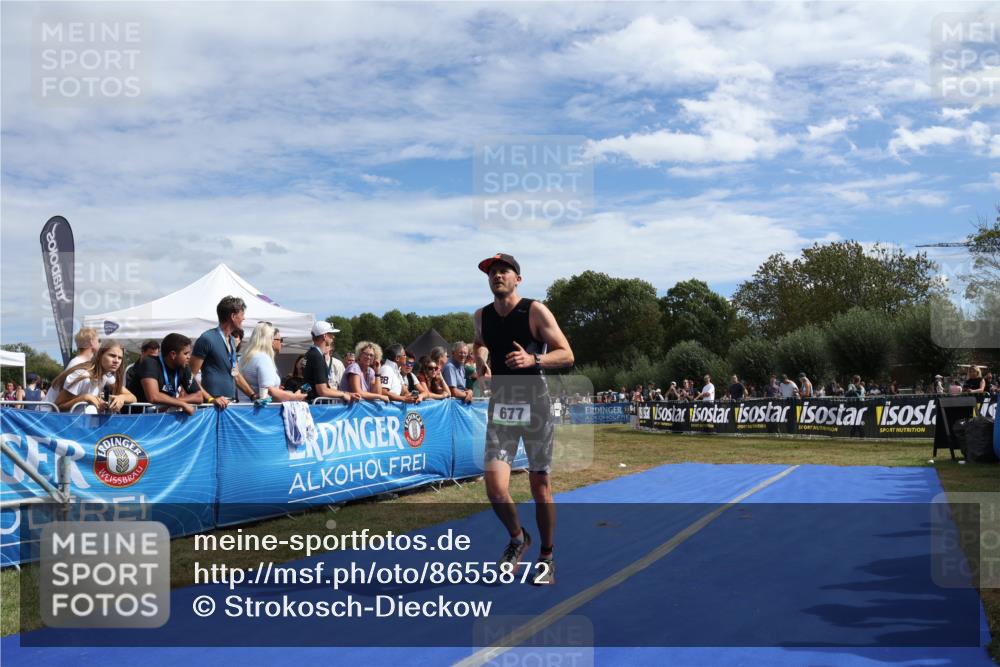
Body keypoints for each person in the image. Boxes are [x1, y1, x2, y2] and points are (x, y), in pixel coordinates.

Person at [473, 253, 574, 586]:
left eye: (504, 271)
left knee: (540, 486)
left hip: (535, 404)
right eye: (492, 272)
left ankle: (547, 555)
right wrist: (482, 362)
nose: (497, 276)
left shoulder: (534, 310)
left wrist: (534, 359)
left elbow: (567, 353)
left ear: (518, 278)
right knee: (495, 488)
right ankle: (518, 538)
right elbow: (480, 344)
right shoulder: (481, 316)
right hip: (503, 405)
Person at [190, 296, 255, 409]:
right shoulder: (207, 338)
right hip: (211, 407)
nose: (243, 319)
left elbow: (236, 374)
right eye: (242, 315)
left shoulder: (232, 342)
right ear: (233, 316)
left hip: (229, 404)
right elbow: (189, 376)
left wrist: (253, 395)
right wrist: (210, 399)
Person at [47, 340, 136, 413]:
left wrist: (121, 398)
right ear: (100, 356)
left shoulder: (106, 376)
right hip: (45, 419)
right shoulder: (83, 375)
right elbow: (57, 406)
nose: (116, 361)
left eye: (120, 358)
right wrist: (85, 397)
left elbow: (133, 398)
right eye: (112, 355)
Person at [126, 333, 202, 414]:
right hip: (135, 418)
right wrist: (182, 404)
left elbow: (199, 396)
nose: (189, 357)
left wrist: (175, 401)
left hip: (159, 418)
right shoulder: (149, 362)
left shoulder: (183, 367)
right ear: (173, 354)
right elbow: (153, 397)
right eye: (186, 353)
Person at [237, 322, 306, 403]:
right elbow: (269, 391)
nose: (281, 343)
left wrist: (281, 392)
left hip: (245, 408)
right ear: (269, 339)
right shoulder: (262, 358)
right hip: (261, 411)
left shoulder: (244, 357)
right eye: (278, 339)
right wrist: (294, 396)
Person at [304, 321, 358, 404]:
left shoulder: (310, 353)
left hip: (312, 404)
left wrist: (347, 393)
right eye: (331, 334)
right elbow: (322, 390)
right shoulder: (317, 356)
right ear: (325, 336)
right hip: (317, 408)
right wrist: (343, 394)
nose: (333, 337)